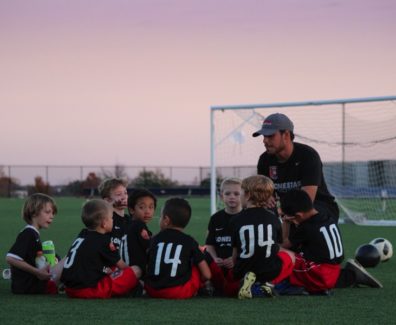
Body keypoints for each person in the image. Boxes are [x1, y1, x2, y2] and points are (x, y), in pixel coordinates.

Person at [280, 189, 382, 294]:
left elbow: (284, 245)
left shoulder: (307, 227)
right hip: (334, 271)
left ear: (299, 215)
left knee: (281, 253)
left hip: (319, 275)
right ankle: (351, 275)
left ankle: (277, 283)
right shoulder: (326, 215)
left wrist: (285, 222)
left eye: (292, 219)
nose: (293, 222)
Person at [253, 113, 339, 221]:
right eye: (264, 136)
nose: (265, 140)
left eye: (270, 136)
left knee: (304, 214)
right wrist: (266, 197)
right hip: (290, 211)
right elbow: (263, 195)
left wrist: (279, 212)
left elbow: (305, 202)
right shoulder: (264, 160)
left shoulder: (308, 155)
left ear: (286, 135)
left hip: (319, 209)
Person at [61, 199, 142, 299]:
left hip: (70, 289)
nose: (113, 220)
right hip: (88, 290)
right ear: (104, 223)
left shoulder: (83, 234)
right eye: (111, 218)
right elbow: (123, 266)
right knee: (135, 270)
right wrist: (133, 278)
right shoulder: (104, 241)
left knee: (111, 269)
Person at [231, 175, 295, 299]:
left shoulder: (235, 220)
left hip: (243, 269)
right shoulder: (273, 219)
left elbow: (235, 252)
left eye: (241, 193)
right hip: (269, 270)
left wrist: (235, 269)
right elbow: (277, 245)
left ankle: (248, 281)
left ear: (248, 195)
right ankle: (268, 284)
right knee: (289, 256)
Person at [144, 198, 211, 299]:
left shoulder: (153, 239)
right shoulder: (190, 241)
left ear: (166, 220)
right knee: (196, 263)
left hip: (152, 290)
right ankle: (201, 289)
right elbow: (207, 275)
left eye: (161, 216)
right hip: (178, 292)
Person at [6, 193, 62, 294]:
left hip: (30, 285)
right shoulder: (28, 233)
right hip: (28, 286)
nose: (52, 216)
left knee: (57, 258)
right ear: (34, 213)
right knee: (68, 259)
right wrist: (38, 272)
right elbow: (11, 258)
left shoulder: (33, 234)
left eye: (53, 213)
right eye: (48, 212)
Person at [204, 177, 242, 296]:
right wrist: (215, 258)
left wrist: (234, 259)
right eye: (228, 193)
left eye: (236, 194)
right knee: (202, 255)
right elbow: (209, 244)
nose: (232, 197)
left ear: (244, 195)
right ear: (221, 196)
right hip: (219, 263)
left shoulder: (246, 217)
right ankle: (209, 284)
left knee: (232, 289)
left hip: (238, 263)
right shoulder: (216, 218)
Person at [98, 178, 130, 261]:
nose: (124, 197)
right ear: (107, 200)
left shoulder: (130, 220)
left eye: (125, 193)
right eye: (119, 194)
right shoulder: (105, 222)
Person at [126, 188, 156, 271]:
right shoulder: (139, 225)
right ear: (132, 210)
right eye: (142, 207)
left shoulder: (129, 224)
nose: (147, 211)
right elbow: (151, 248)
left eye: (151, 207)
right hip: (137, 272)